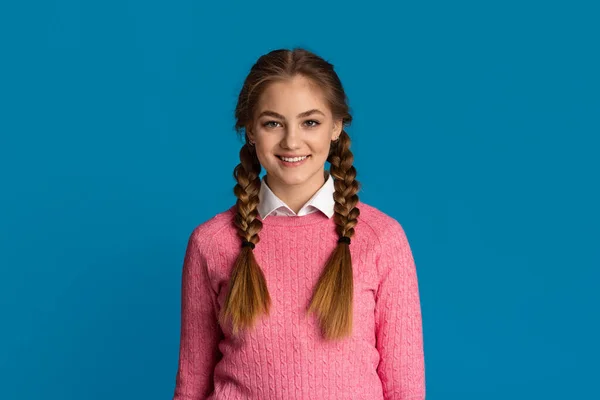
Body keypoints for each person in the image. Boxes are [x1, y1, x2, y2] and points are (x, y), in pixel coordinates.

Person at [172, 48, 425, 400]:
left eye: (310, 122)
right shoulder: (211, 242)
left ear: (336, 126)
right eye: (272, 123)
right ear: (249, 131)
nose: (292, 141)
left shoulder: (382, 239)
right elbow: (191, 386)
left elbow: (406, 390)